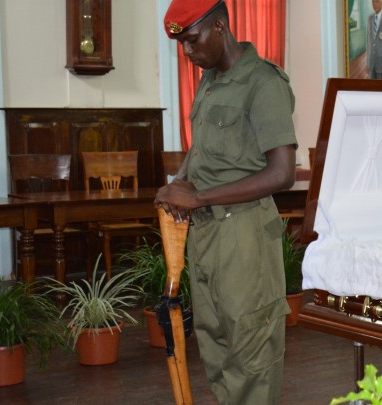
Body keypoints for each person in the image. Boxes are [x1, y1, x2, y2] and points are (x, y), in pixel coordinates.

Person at [158, 0, 298, 402]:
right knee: (216, 348)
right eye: (182, 44)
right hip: (207, 235)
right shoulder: (211, 80)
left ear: (219, 27)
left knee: (251, 354)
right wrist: (177, 184)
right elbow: (204, 150)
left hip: (245, 234)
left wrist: (198, 196)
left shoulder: (263, 82)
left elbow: (282, 174)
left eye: (192, 39)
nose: (187, 51)